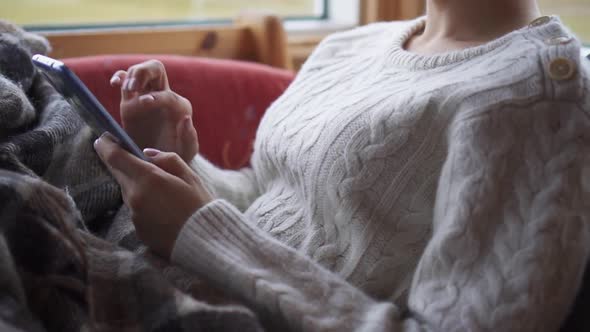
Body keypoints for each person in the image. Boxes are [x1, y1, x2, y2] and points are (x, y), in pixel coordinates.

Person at [94, 0, 590, 330]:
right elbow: (267, 201)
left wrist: (202, 233)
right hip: (144, 277)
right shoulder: (350, 47)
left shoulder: (535, 95)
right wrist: (176, 163)